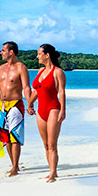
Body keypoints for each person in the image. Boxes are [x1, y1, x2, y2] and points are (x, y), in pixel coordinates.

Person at [27, 44, 66, 183]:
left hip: (53, 109)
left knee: (52, 143)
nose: (37, 56)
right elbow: (36, 90)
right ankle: (50, 170)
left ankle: (53, 173)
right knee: (45, 144)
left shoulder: (58, 72)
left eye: (39, 54)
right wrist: (30, 103)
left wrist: (63, 110)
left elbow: (61, 92)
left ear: (47, 55)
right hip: (41, 110)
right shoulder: (40, 71)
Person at [0, 41, 31, 177]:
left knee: (15, 136)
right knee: (5, 138)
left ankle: (15, 166)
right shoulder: (1, 68)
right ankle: (13, 164)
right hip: (1, 106)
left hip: (15, 105)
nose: (0, 53)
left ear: (11, 52)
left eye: (3, 50)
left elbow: (26, 87)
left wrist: (30, 103)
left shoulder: (21, 68)